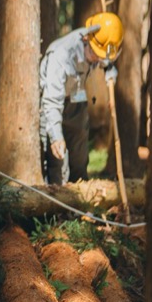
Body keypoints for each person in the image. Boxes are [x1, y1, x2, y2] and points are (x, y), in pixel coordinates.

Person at [39, 12, 123, 185]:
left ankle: (80, 203)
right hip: (52, 106)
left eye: (102, 56)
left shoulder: (100, 47)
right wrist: (56, 136)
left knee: (79, 159)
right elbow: (51, 102)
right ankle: (58, 206)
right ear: (86, 39)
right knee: (57, 162)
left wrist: (111, 75)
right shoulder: (61, 55)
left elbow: (108, 63)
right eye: (95, 54)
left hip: (76, 102)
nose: (98, 59)